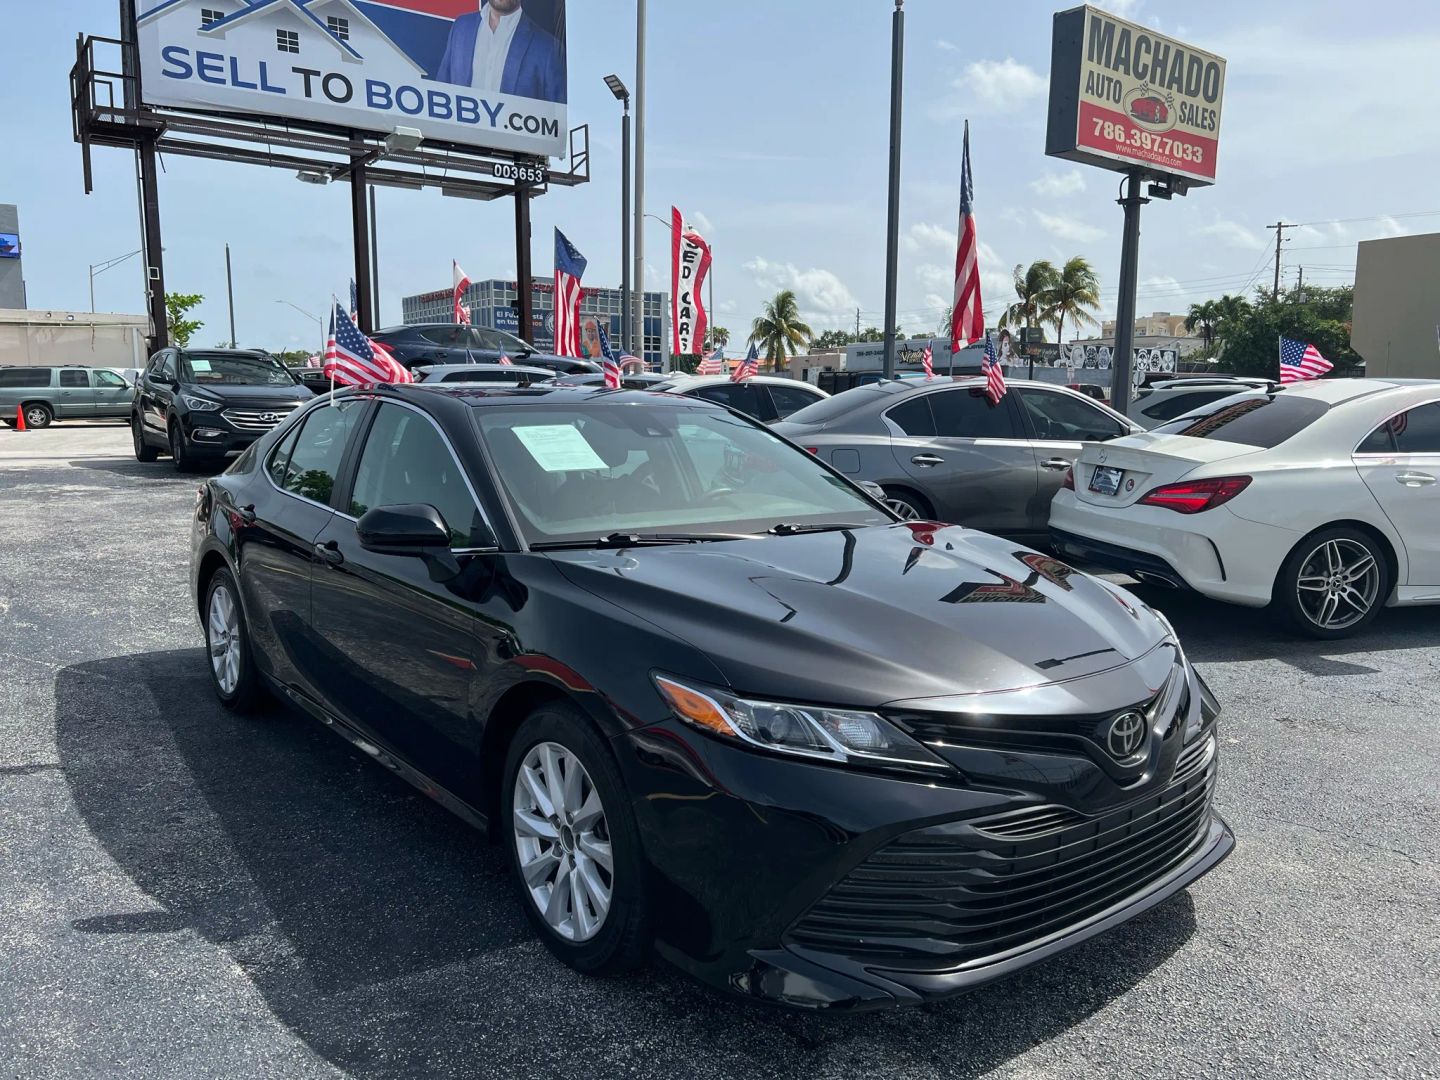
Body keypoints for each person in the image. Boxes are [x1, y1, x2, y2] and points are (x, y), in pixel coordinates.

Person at [435, 0, 567, 104]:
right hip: (457, 136)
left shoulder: (548, 48)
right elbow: (441, 90)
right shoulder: (461, 27)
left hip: (515, 137)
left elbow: (557, 119)